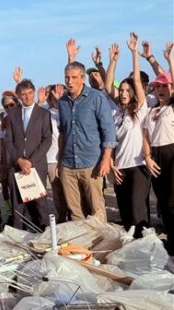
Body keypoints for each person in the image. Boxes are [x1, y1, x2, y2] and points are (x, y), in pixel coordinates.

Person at [57, 60, 116, 222]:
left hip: (92, 163)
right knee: (75, 210)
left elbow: (108, 130)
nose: (69, 81)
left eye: (74, 77)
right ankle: (82, 244)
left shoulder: (96, 98)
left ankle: (101, 242)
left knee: (96, 208)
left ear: (82, 78)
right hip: (68, 164)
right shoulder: (62, 102)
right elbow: (63, 132)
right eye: (67, 77)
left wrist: (105, 159)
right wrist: (59, 161)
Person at [105, 33, 150, 238]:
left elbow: (138, 82)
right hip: (120, 169)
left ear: (132, 92)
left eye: (126, 90)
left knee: (137, 211)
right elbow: (107, 87)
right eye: (121, 90)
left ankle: (145, 249)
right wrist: (112, 61)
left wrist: (134, 53)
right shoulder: (117, 113)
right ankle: (132, 250)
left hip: (138, 167)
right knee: (125, 214)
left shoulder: (140, 110)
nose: (122, 93)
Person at [5, 79, 52, 230]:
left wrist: (30, 162)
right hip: (17, 167)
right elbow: (8, 141)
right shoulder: (12, 114)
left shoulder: (43, 113)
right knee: (17, 207)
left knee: (40, 206)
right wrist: (19, 160)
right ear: (18, 96)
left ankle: (44, 236)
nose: (27, 97)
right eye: (23, 94)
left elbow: (47, 140)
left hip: (36, 166)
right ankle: (19, 239)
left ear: (34, 92)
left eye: (30, 93)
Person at [143, 41, 174, 255]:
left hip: (171, 152)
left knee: (172, 201)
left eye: (165, 86)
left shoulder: (173, 107)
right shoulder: (152, 110)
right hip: (155, 155)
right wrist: (147, 155)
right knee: (162, 202)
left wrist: (169, 59)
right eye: (158, 87)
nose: (161, 90)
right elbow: (145, 134)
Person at [37, 83, 69, 222]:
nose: (52, 96)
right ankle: (62, 218)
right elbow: (32, 121)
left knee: (70, 192)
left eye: (54, 93)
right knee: (57, 194)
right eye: (49, 94)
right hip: (50, 159)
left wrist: (60, 101)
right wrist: (39, 102)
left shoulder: (65, 111)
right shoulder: (44, 113)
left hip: (66, 157)